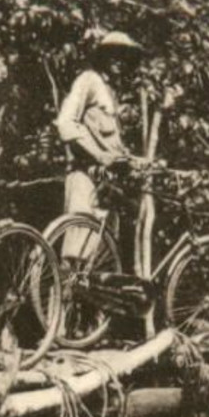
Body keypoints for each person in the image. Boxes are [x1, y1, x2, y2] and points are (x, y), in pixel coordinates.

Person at [53, 30, 146, 258]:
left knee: (101, 260)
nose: (119, 62)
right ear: (102, 58)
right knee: (77, 256)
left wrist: (135, 161)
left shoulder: (110, 92)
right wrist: (99, 155)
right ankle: (60, 294)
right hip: (86, 179)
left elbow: (111, 147)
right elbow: (65, 122)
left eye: (124, 56)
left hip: (106, 187)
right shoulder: (88, 80)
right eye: (112, 55)